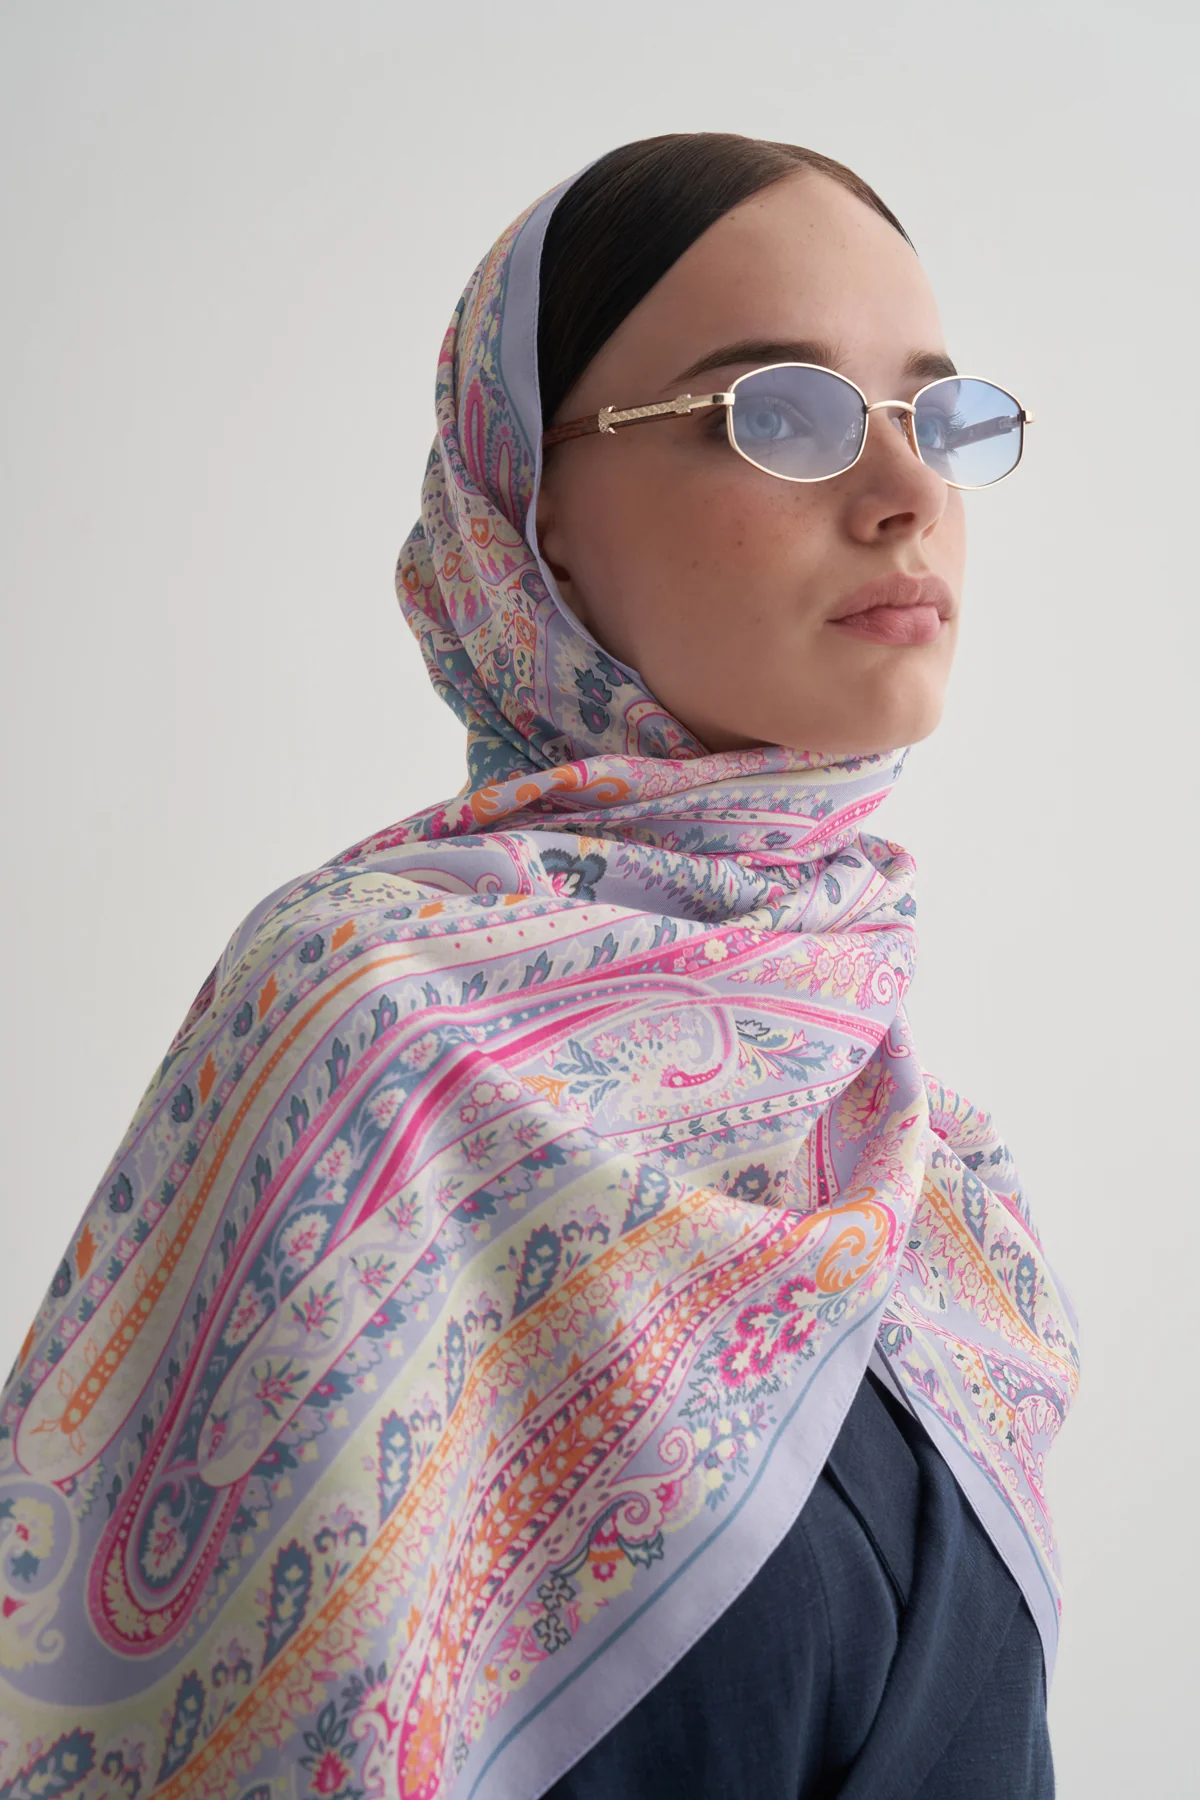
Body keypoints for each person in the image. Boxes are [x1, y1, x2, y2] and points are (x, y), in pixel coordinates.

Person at [0, 134, 1077, 1800]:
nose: (904, 493)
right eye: (780, 414)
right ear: (539, 518)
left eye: (937, 417)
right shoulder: (367, 1025)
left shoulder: (920, 1165)